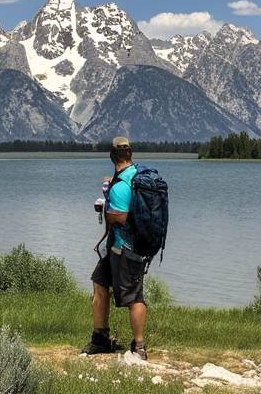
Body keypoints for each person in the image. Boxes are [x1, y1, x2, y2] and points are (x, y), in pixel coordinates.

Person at [82, 136, 148, 360]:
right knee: (99, 283)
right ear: (130, 154)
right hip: (115, 247)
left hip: (125, 248)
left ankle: (139, 347)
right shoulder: (134, 175)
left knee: (134, 297)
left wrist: (104, 203)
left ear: (112, 156)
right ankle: (100, 338)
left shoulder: (120, 186)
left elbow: (118, 217)